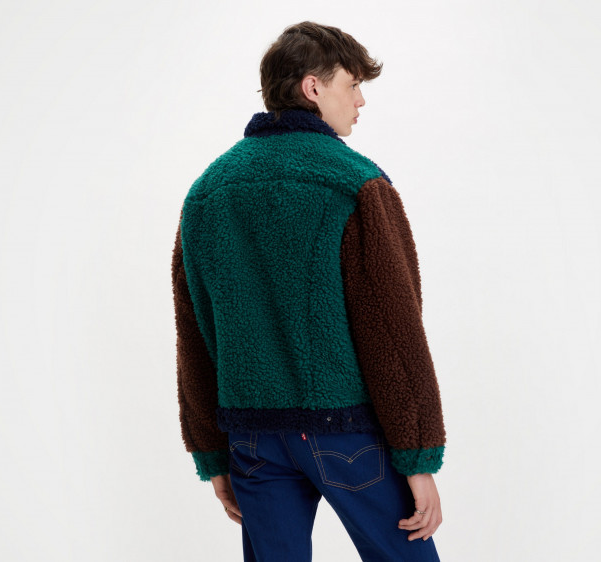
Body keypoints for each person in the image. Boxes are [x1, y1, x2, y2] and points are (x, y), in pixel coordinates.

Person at [172, 21, 447, 561]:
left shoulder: (208, 192)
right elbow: (393, 331)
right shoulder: (354, 182)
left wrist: (212, 453)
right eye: (353, 84)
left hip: (253, 440)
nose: (361, 100)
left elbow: (195, 331)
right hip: (346, 431)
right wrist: (417, 457)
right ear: (313, 87)